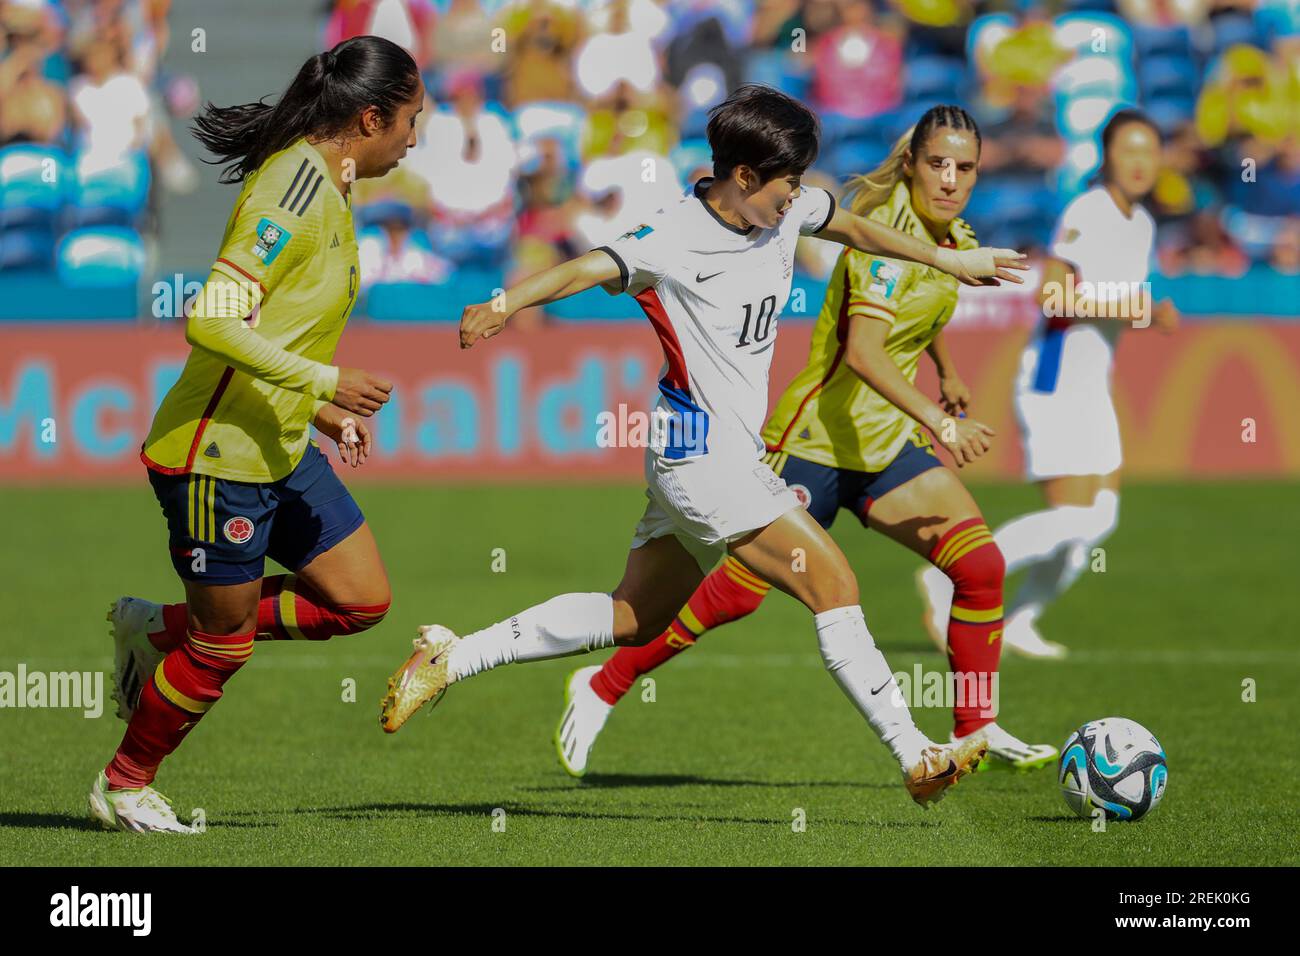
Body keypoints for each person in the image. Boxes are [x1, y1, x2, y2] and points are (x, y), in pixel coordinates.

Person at [380, 86, 1027, 807]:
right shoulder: (675, 236)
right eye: (787, 186)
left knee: (634, 615)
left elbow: (850, 226)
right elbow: (587, 267)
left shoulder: (783, 208)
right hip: (703, 456)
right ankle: (915, 754)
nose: (798, 200)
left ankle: (452, 656)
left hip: (695, 451)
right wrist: (504, 305)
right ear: (743, 178)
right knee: (835, 586)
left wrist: (952, 265)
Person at [556, 106, 1057, 778]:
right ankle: (604, 685)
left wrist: (948, 370)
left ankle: (977, 727)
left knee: (980, 568)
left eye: (964, 167)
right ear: (910, 163)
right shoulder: (885, 246)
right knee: (736, 594)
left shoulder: (955, 236)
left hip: (881, 449)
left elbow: (925, 308)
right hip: (815, 443)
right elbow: (864, 354)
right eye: (937, 163)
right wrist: (940, 422)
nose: (950, 178)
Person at [90, 36, 420, 834]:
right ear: (370, 117)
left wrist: (321, 410)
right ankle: (124, 785)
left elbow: (282, 330)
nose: (415, 139)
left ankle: (153, 627)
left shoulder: (333, 189)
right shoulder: (295, 192)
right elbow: (209, 319)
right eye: (411, 121)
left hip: (279, 439)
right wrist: (326, 383)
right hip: (216, 458)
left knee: (360, 599)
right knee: (222, 648)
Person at [919, 108, 1179, 659]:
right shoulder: (1088, 211)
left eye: (1149, 151)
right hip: (1055, 382)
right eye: (1129, 150)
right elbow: (1051, 296)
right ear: (1107, 155)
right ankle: (950, 577)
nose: (1139, 162)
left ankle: (1020, 621)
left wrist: (1140, 313)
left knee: (1097, 521)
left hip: (1092, 388)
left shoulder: (1142, 223)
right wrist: (1136, 309)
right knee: (1077, 518)